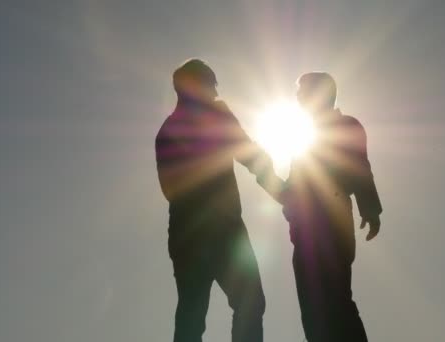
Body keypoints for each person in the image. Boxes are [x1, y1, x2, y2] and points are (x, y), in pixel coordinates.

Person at [155, 59, 283, 342]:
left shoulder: (166, 132)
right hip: (219, 230)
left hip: (187, 232)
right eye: (211, 86)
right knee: (242, 303)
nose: (215, 93)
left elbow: (169, 189)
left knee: (193, 313)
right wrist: (283, 191)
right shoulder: (214, 116)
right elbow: (249, 153)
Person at [282, 72, 383, 342]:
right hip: (305, 233)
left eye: (302, 91)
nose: (297, 97)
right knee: (313, 311)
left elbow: (361, 168)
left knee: (336, 302)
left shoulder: (346, 126)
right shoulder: (302, 136)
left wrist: (370, 209)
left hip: (332, 224)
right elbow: (294, 185)